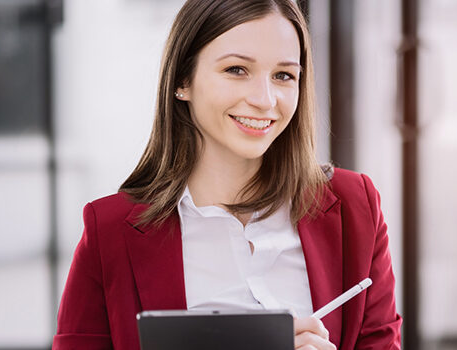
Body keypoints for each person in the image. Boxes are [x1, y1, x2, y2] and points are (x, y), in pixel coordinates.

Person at [52, 0, 402, 349]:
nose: (265, 100)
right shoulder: (109, 233)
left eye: (283, 75)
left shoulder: (356, 208)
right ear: (182, 80)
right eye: (237, 70)